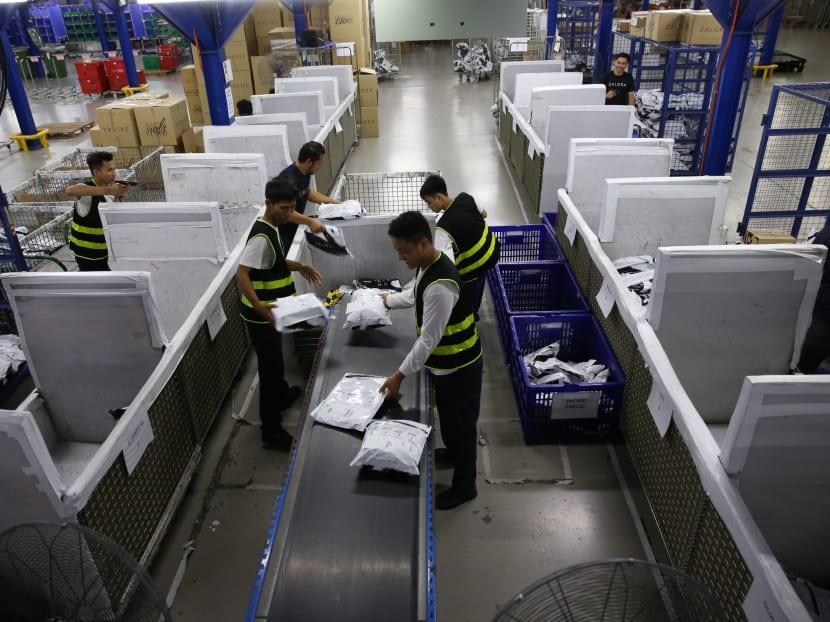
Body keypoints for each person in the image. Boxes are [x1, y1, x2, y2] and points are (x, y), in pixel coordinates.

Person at [379, 211, 483, 510]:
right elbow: (415, 295)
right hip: (445, 365)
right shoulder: (428, 265)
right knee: (450, 421)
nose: (400, 257)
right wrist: (388, 300)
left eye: (404, 251)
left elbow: (428, 340)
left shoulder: (441, 284)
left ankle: (465, 486)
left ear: (423, 243)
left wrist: (398, 376)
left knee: (461, 427)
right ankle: (453, 452)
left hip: (459, 366)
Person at [236, 177, 322, 452]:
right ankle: (270, 430)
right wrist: (260, 308)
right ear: (269, 204)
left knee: (277, 363)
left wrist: (298, 266)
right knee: (270, 369)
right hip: (261, 315)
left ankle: (282, 396)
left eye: (292, 208)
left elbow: (271, 261)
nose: (289, 213)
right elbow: (242, 274)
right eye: (284, 208)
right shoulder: (261, 236)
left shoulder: (272, 227)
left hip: (272, 311)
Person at [420, 174, 500, 320]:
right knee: (478, 285)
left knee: (466, 305)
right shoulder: (466, 198)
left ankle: (471, 318)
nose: (428, 207)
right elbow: (484, 214)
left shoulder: (443, 228)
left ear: (439, 197)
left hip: (472, 271)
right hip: (491, 254)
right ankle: (474, 309)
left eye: (429, 202)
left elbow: (444, 265)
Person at [65, 151, 128, 271]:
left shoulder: (108, 191)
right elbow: (70, 190)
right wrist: (110, 191)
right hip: (88, 256)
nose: (114, 173)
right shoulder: (88, 194)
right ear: (96, 172)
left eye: (114, 169)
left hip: (105, 253)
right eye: (109, 170)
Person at [277, 140, 342, 248]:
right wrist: (310, 221)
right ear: (308, 162)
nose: (319, 167)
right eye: (319, 163)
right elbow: (285, 213)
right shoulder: (288, 180)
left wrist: (331, 201)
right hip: (284, 235)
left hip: (296, 228)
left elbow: (306, 192)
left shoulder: (305, 173)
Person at [797, 225, 830, 373]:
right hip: (823, 312)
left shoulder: (827, 233)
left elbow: (810, 262)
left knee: (805, 362)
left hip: (823, 313)